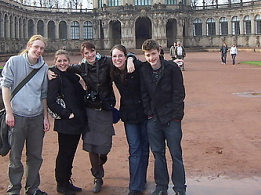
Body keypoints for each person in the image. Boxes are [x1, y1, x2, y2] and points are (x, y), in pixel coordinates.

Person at [66, 41, 133, 193]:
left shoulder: (106, 62)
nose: (89, 55)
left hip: (105, 108)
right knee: (90, 144)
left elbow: (121, 58)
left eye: (92, 51)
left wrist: (130, 59)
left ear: (95, 51)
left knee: (105, 145)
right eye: (86, 53)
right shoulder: (81, 67)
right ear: (82, 55)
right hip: (89, 108)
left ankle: (101, 160)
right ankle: (97, 176)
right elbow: (63, 68)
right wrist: (50, 71)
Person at [0, 35, 50, 195]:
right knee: (15, 156)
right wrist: (9, 112)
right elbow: (5, 87)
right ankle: (14, 189)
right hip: (17, 116)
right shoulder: (14, 62)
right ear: (29, 46)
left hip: (36, 117)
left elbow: (43, 94)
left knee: (35, 156)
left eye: (41, 48)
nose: (38, 51)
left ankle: (32, 188)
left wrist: (45, 117)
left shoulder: (44, 67)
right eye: (36, 47)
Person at [139, 39, 186, 195]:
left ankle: (179, 188)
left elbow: (179, 94)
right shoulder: (144, 70)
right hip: (154, 118)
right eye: (147, 55)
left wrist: (176, 117)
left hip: (171, 118)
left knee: (176, 154)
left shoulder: (172, 68)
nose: (151, 58)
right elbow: (144, 94)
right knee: (158, 154)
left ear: (159, 51)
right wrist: (150, 114)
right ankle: (161, 186)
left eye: (153, 54)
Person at [110, 44, 149, 195]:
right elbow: (94, 62)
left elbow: (140, 61)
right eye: (114, 56)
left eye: (121, 56)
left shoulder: (136, 66)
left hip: (145, 113)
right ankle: (135, 186)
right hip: (129, 115)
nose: (117, 59)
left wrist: (132, 58)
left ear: (125, 57)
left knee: (144, 148)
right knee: (134, 149)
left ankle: (141, 180)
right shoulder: (112, 70)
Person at [47, 50, 87, 195]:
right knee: (64, 154)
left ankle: (67, 181)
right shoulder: (54, 78)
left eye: (65, 61)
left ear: (69, 62)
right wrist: (66, 114)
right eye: (59, 61)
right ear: (55, 63)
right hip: (66, 123)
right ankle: (61, 184)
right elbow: (51, 101)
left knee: (70, 154)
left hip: (76, 122)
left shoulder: (72, 76)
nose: (62, 63)